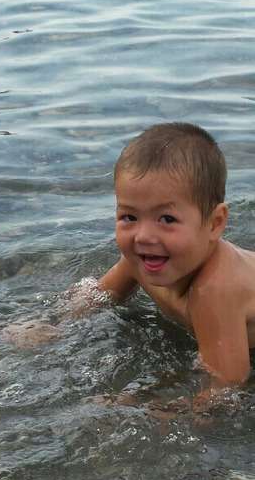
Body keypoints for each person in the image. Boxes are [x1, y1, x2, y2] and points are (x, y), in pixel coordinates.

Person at [97, 122, 254, 388]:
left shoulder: (214, 291)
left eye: (167, 218)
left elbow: (227, 387)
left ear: (215, 223)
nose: (143, 236)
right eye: (129, 216)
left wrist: (156, 410)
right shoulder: (140, 261)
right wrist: (49, 326)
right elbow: (95, 297)